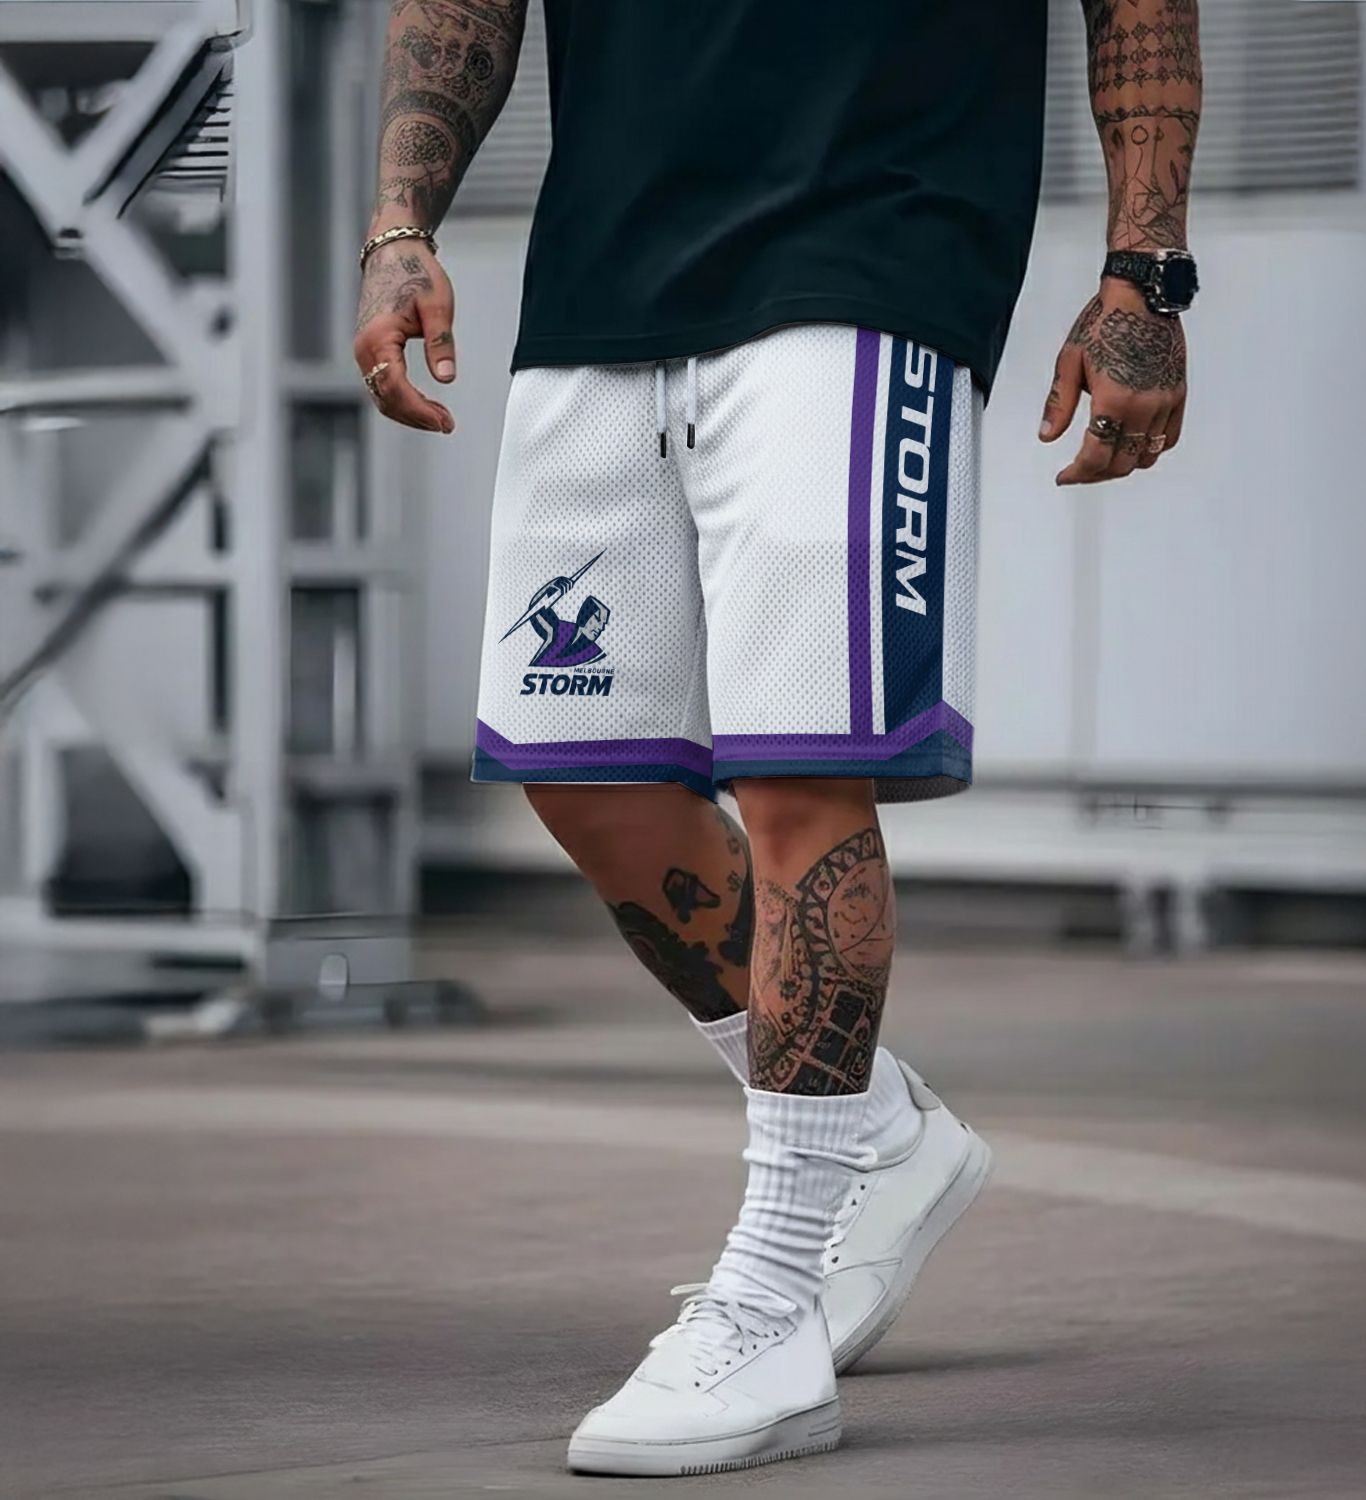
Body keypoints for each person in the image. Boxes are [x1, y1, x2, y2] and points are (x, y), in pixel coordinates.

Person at [354, 0, 1202, 1476]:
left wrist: (1145, 271)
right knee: (584, 779)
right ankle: (879, 1135)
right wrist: (398, 220)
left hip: (875, 238)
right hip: (606, 261)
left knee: (800, 769)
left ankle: (773, 1303)